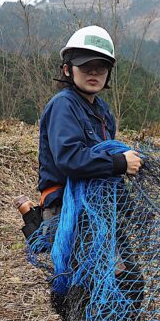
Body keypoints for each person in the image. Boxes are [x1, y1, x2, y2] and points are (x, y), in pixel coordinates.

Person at [37, 24, 142, 221]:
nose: (93, 73)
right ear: (67, 69)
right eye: (85, 65)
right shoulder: (63, 105)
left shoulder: (103, 111)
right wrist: (119, 162)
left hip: (97, 207)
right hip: (65, 210)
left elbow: (105, 161)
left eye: (100, 67)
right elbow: (70, 158)